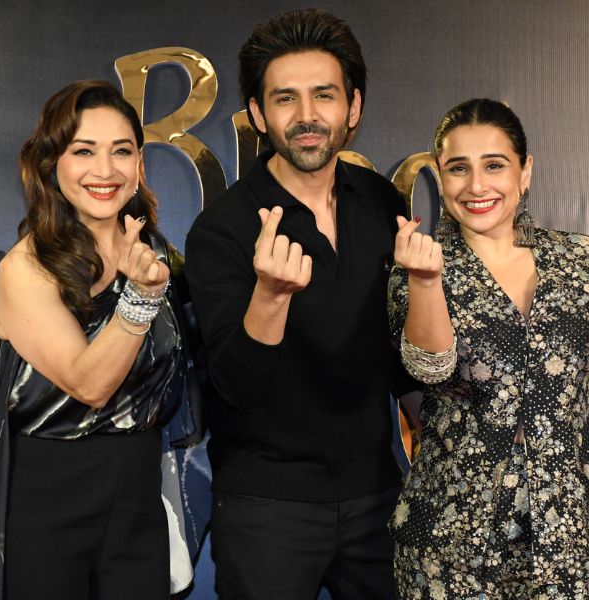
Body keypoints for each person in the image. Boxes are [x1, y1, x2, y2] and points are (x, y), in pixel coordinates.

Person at [388, 99, 589, 599]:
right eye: (458, 168)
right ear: (440, 178)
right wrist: (426, 281)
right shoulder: (417, 266)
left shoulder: (582, 260)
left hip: (576, 537)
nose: (477, 185)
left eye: (494, 165)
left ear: (524, 171)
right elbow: (430, 370)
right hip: (452, 544)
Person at [184, 8, 408, 599]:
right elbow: (236, 385)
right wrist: (272, 294)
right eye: (285, 98)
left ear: (353, 107)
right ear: (258, 114)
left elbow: (402, 361)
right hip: (267, 505)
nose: (307, 116)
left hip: (379, 496)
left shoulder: (382, 203)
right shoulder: (223, 229)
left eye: (324, 95)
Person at [0, 80, 198, 600]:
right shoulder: (26, 268)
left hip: (138, 493)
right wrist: (139, 298)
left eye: (122, 151)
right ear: (51, 163)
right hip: (50, 499)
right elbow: (90, 383)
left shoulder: (155, 252)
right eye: (84, 151)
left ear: (140, 163)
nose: (105, 170)